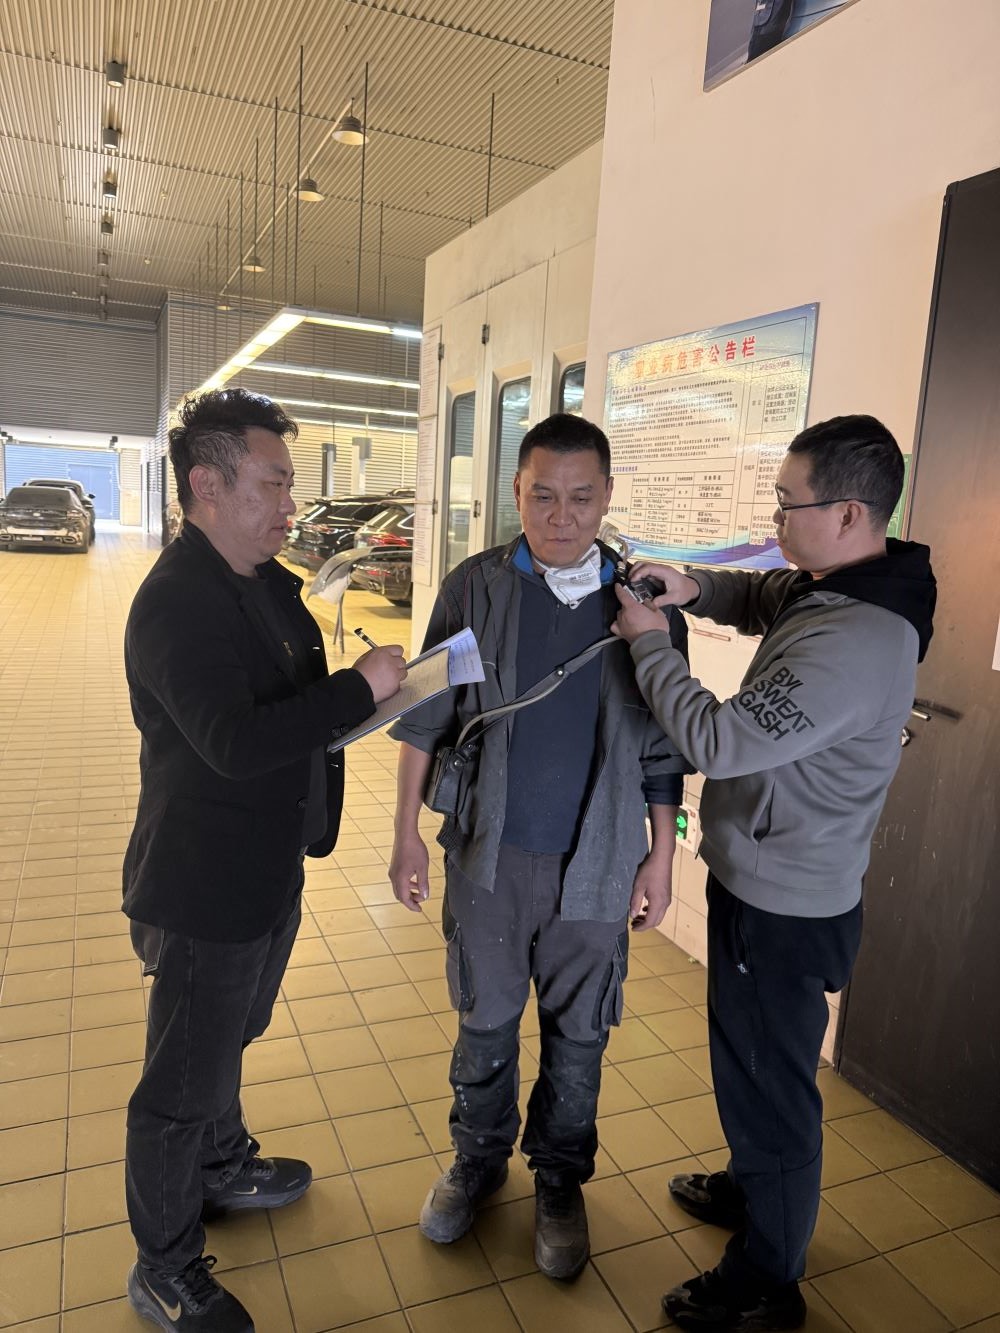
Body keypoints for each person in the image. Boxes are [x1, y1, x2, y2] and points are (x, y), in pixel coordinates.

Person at [612, 415, 936, 1332]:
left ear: (848, 512)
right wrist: (693, 585)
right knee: (750, 1064)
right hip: (769, 875)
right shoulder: (841, 583)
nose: (777, 520)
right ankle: (756, 1185)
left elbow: (718, 739)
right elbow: (766, 595)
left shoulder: (860, 638)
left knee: (771, 1085)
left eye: (788, 505)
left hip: (786, 904)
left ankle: (766, 1276)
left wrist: (649, 639)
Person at [121, 389, 406, 1332]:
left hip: (267, 863)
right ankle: (165, 1266)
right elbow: (235, 741)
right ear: (207, 485)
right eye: (274, 484)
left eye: (290, 485)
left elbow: (289, 711)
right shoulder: (178, 602)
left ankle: (221, 1161)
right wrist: (356, 689)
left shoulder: (264, 581)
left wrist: (375, 696)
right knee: (177, 1087)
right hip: (202, 882)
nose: (291, 504)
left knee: (228, 1038)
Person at [388, 413, 692, 1280]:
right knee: (484, 1020)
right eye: (543, 496)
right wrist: (405, 834)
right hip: (488, 854)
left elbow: (664, 747)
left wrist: (661, 856)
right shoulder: (475, 588)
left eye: (582, 497)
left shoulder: (644, 606)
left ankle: (559, 1180)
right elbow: (424, 714)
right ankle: (477, 1160)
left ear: (608, 496)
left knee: (580, 1032)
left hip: (597, 862)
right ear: (516, 492)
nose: (562, 517)